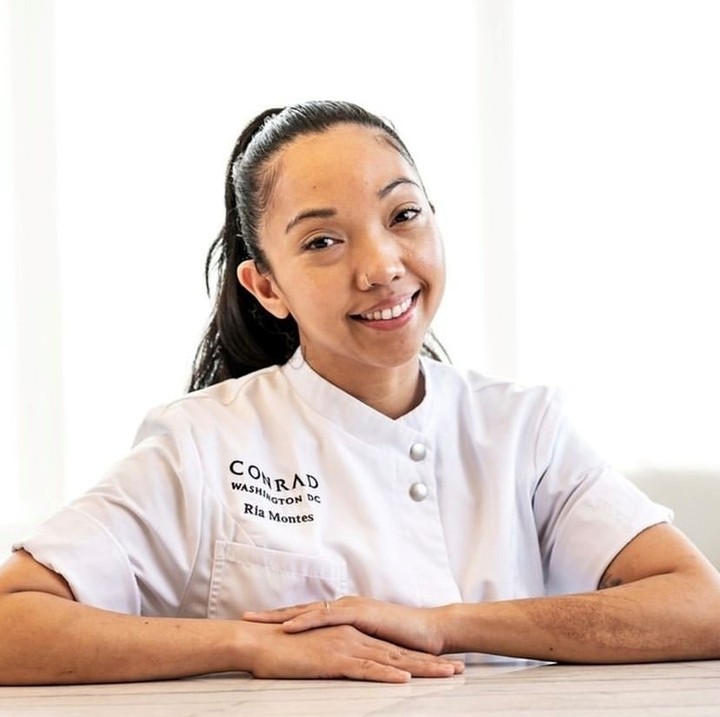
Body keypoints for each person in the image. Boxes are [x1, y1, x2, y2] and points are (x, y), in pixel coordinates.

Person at [1, 100, 719, 686]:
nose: (381, 267)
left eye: (403, 216)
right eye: (322, 242)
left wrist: (441, 625)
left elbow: (699, 605)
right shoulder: (202, 444)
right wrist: (249, 645)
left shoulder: (521, 428)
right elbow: (12, 622)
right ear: (267, 286)